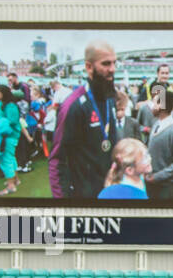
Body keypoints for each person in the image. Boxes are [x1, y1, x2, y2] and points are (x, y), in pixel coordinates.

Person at [48, 42, 119, 202]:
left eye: (115, 62)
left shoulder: (109, 97)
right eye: (106, 63)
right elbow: (57, 160)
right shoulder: (72, 106)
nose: (113, 69)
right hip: (83, 197)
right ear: (88, 67)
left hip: (109, 191)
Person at [144, 86, 173, 202]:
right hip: (153, 182)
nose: (152, 106)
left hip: (166, 186)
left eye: (155, 102)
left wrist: (157, 176)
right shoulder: (157, 124)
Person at [0, 81, 23, 196]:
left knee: (6, 159)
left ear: (3, 93)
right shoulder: (2, 103)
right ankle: (15, 180)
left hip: (9, 136)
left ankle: (11, 186)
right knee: (10, 158)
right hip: (6, 136)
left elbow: (12, 121)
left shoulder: (10, 105)